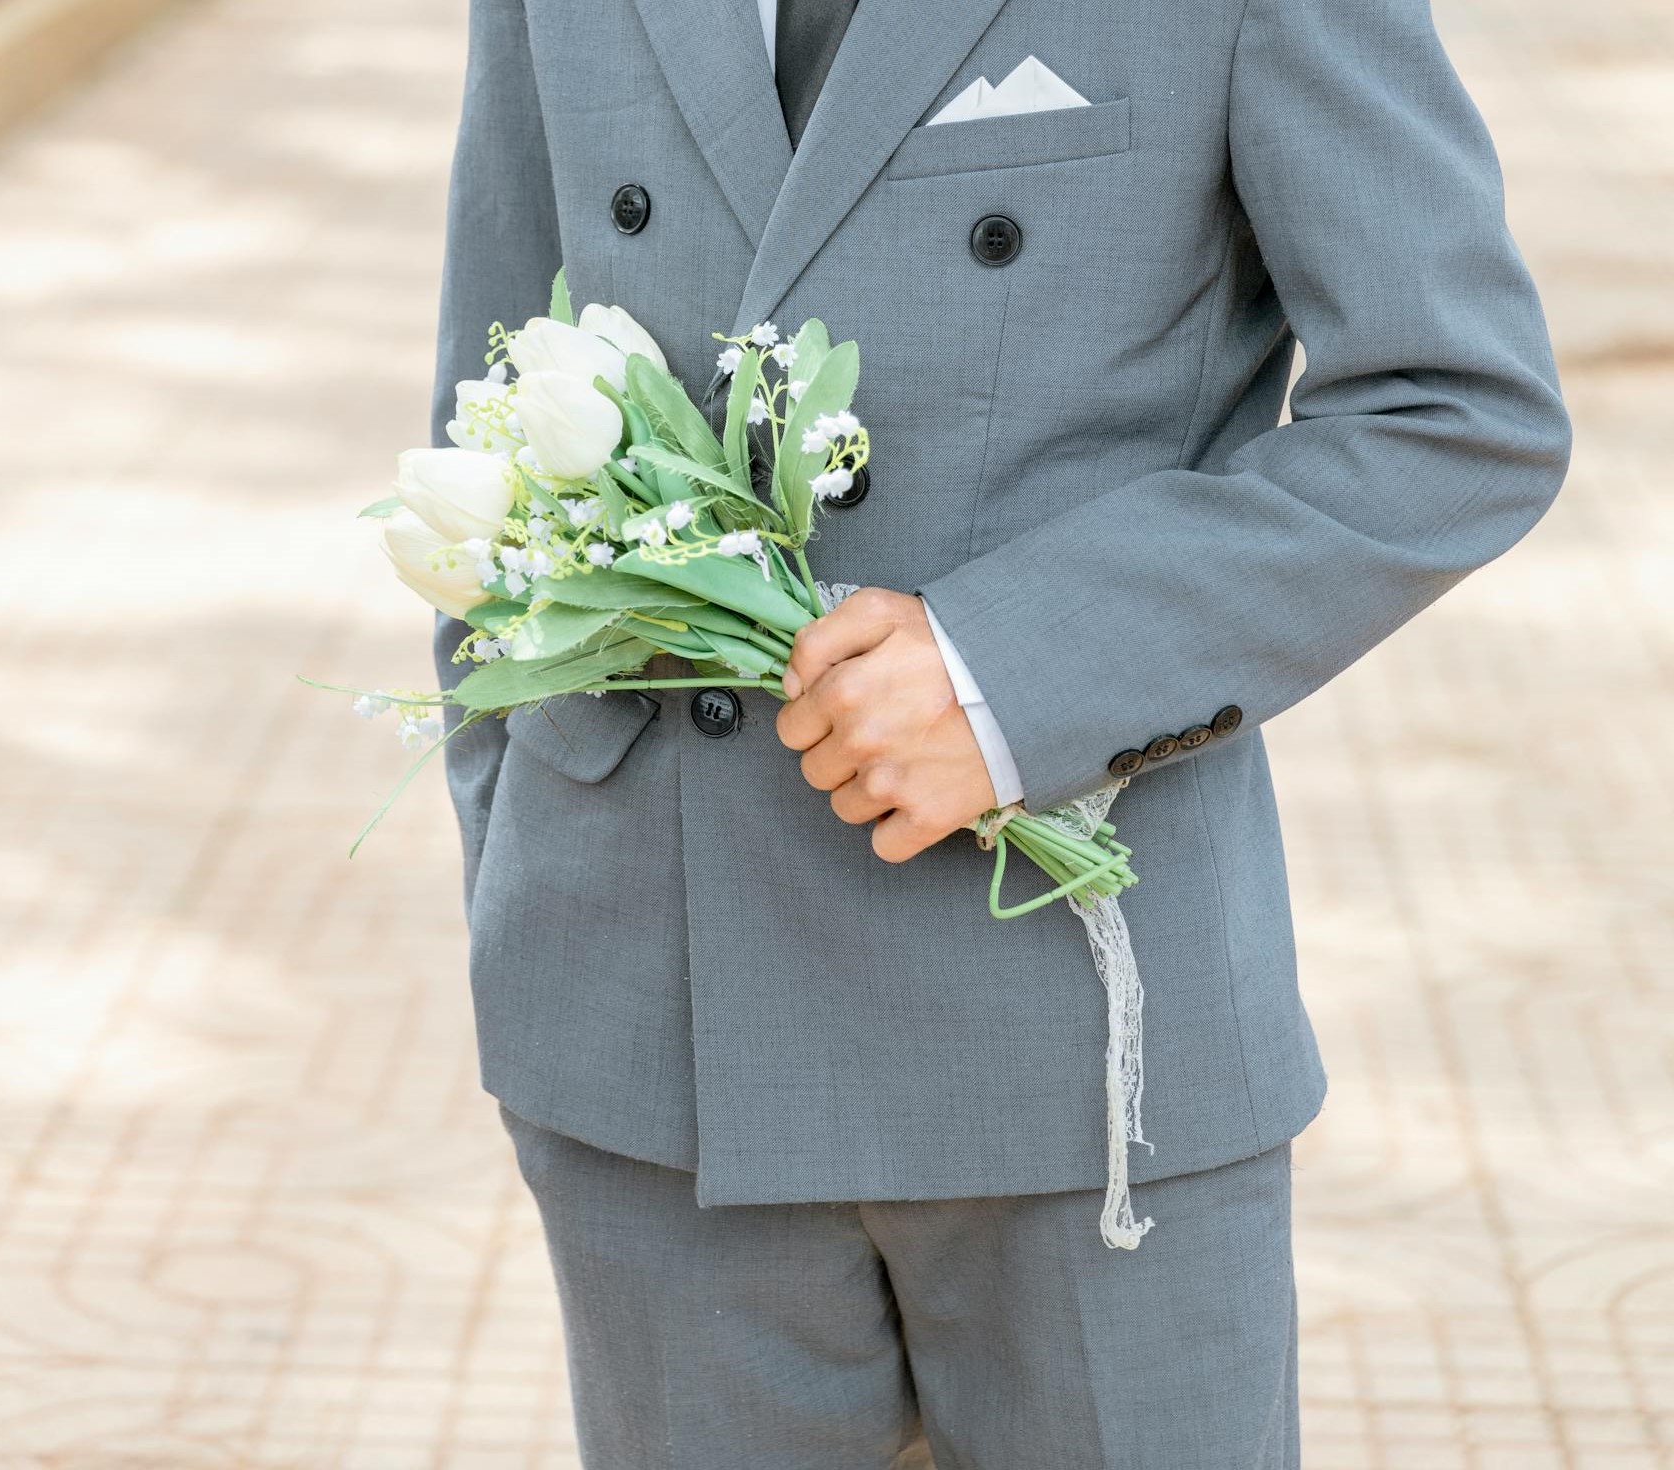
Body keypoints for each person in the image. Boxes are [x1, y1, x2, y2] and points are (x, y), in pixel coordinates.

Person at [427, 0, 1570, 1463]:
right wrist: (518, 861)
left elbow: (1456, 406)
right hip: (655, 1037)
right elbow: (493, 392)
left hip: (1073, 1037)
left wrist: (1007, 673)